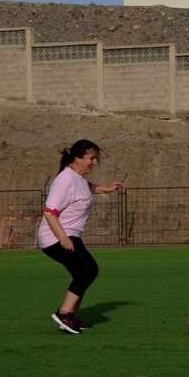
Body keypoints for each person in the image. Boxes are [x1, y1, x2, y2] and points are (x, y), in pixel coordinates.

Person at [38, 139, 123, 335]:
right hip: (54, 237)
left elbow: (86, 187)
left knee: (87, 271)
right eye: (91, 158)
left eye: (96, 158)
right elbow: (50, 212)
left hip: (70, 234)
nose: (94, 162)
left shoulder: (77, 177)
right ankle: (65, 313)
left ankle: (71, 315)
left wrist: (106, 188)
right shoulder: (64, 180)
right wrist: (63, 239)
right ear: (77, 158)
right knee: (86, 271)